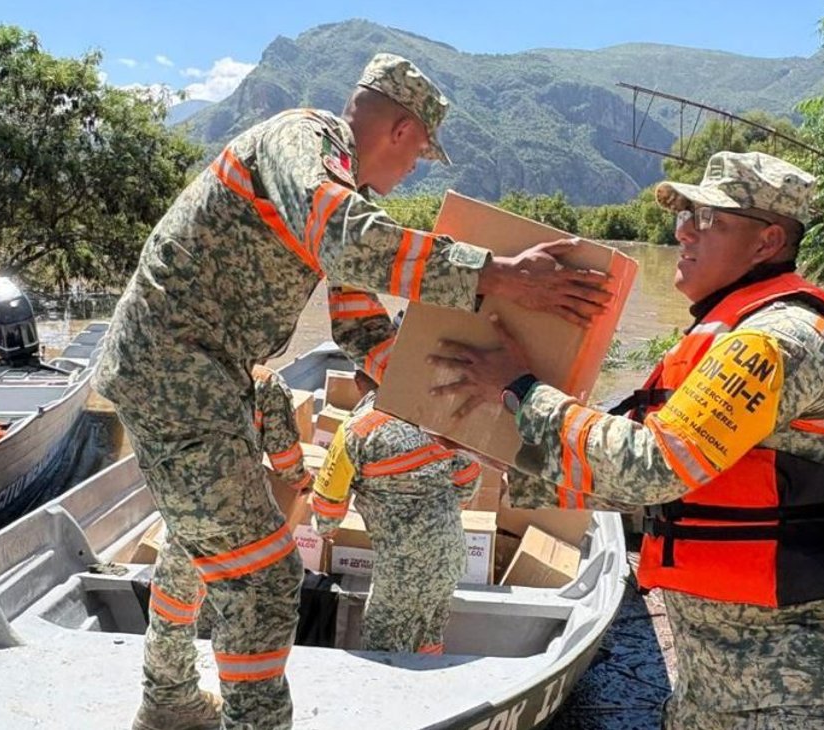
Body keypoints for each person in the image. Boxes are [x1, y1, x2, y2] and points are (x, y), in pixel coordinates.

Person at [98, 52, 611, 730]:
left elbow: (360, 326)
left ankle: (167, 698)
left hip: (204, 375)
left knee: (202, 546)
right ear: (402, 130)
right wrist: (497, 275)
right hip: (175, 371)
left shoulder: (344, 196)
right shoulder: (301, 140)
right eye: (420, 155)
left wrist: (462, 395)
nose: (413, 171)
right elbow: (344, 240)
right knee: (263, 577)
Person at [427, 151, 824, 729]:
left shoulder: (776, 342)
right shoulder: (731, 335)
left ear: (768, 241)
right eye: (685, 216)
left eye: (709, 219)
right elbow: (655, 488)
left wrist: (523, 391)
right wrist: (494, 446)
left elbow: (651, 468)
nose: (683, 232)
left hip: (803, 688)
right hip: (723, 683)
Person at [311, 370, 479, 654]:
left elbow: (328, 505)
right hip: (450, 554)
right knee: (428, 635)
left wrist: (325, 530)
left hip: (402, 569)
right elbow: (469, 478)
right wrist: (439, 517)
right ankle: (430, 678)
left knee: (384, 647)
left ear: (359, 383)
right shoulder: (437, 413)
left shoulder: (356, 431)